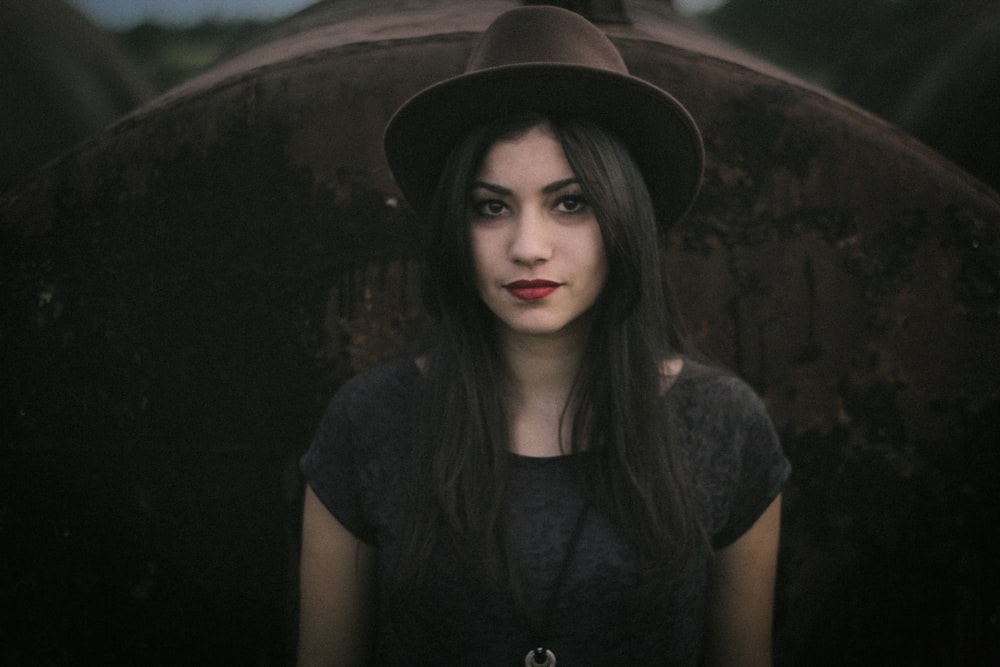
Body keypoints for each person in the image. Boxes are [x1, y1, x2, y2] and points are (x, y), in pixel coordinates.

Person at [297, 6, 790, 666]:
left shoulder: (724, 426)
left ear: (622, 216)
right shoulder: (369, 424)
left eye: (570, 202)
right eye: (491, 206)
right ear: (456, 226)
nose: (529, 247)